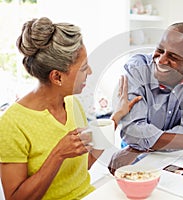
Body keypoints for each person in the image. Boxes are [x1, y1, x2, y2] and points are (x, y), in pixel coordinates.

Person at [0, 17, 141, 200]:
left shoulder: (72, 103)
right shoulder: (12, 124)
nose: (89, 72)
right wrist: (58, 155)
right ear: (57, 77)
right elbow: (15, 198)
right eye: (83, 68)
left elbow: (84, 166)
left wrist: (118, 115)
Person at [108, 22, 183, 174]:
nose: (161, 60)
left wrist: (138, 146)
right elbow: (133, 132)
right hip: (138, 159)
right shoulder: (136, 69)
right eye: (159, 50)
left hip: (170, 156)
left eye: (173, 56)